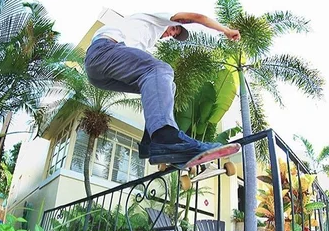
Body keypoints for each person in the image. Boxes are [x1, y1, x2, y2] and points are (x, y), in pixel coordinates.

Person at [84, 12, 241, 164]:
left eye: (174, 34)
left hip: (100, 74)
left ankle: (151, 143)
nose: (170, 34)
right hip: (104, 51)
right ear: (170, 22)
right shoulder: (157, 19)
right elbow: (198, 17)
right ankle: (166, 138)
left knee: (164, 85)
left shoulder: (143, 38)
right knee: (161, 70)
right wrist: (226, 30)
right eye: (173, 29)